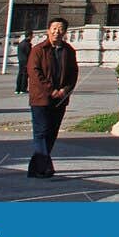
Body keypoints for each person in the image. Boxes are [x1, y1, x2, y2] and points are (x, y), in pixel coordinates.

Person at [25, 18, 79, 179]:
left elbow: (73, 73)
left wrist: (65, 90)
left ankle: (34, 168)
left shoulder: (69, 51)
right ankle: (44, 167)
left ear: (65, 32)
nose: (57, 31)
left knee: (51, 133)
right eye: (54, 28)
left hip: (60, 99)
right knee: (41, 132)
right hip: (41, 99)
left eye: (60, 28)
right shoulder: (38, 50)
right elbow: (34, 73)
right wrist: (51, 90)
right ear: (48, 31)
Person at [14, 29, 33, 95]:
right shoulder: (27, 44)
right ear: (30, 36)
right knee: (25, 75)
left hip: (20, 60)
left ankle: (17, 89)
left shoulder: (20, 43)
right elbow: (29, 53)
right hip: (26, 61)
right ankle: (23, 89)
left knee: (20, 74)